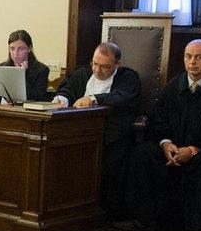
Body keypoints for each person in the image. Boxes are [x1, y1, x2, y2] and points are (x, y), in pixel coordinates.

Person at [120, 39, 201, 231]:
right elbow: (158, 121)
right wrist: (166, 144)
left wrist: (193, 149)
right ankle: (142, 218)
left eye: (199, 57)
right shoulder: (173, 86)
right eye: (188, 56)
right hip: (174, 148)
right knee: (142, 153)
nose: (192, 62)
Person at [54, 42, 141, 220]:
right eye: (95, 63)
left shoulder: (128, 77)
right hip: (78, 134)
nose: (97, 70)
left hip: (111, 135)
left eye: (104, 66)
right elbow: (66, 89)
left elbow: (121, 98)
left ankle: (106, 213)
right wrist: (61, 98)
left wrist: (93, 99)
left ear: (117, 64)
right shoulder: (83, 73)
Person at [0, 30, 50, 101]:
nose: (16, 53)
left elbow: (36, 98)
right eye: (12, 48)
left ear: (29, 48)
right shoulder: (0, 68)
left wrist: (22, 75)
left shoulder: (42, 70)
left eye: (20, 49)